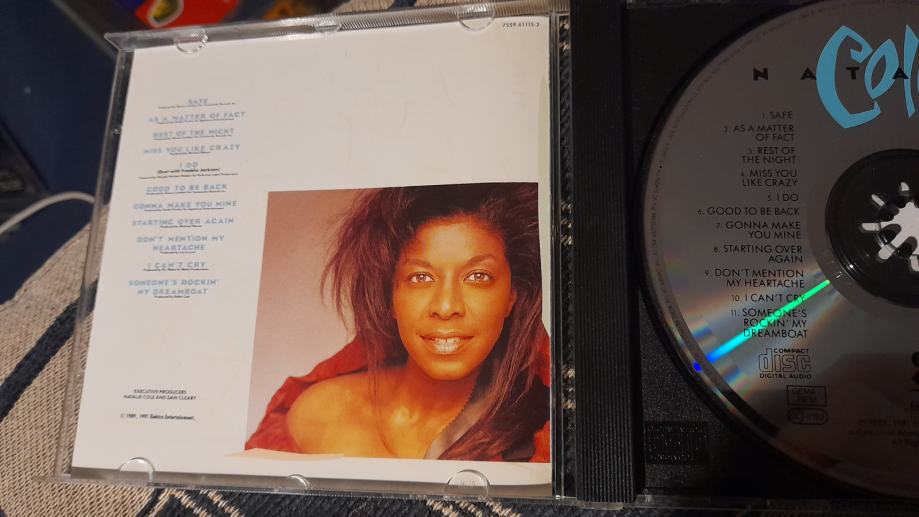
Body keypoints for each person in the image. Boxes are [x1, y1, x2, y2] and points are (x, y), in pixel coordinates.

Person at [245, 183, 549, 461]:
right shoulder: (316, 415)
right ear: (390, 297)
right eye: (420, 278)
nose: (446, 307)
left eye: (477, 277)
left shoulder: (542, 436)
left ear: (512, 296)